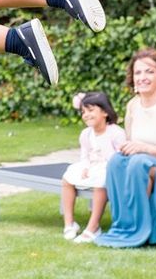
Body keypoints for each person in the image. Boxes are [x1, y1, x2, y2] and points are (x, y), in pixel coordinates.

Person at [95, 48, 156, 248]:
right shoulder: (133, 105)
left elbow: (141, 149)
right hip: (143, 161)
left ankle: (143, 230)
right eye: (138, 72)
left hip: (155, 163)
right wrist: (128, 147)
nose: (142, 77)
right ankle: (126, 226)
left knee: (138, 163)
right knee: (117, 161)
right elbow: (132, 141)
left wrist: (145, 148)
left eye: (149, 71)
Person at [61, 92, 125, 243]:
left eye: (90, 110)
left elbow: (119, 158)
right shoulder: (85, 134)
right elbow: (85, 155)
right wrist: (85, 167)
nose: (86, 115)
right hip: (92, 166)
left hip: (110, 167)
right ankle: (69, 223)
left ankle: (93, 227)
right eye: (83, 112)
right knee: (67, 178)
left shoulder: (116, 132)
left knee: (100, 183)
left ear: (104, 112)